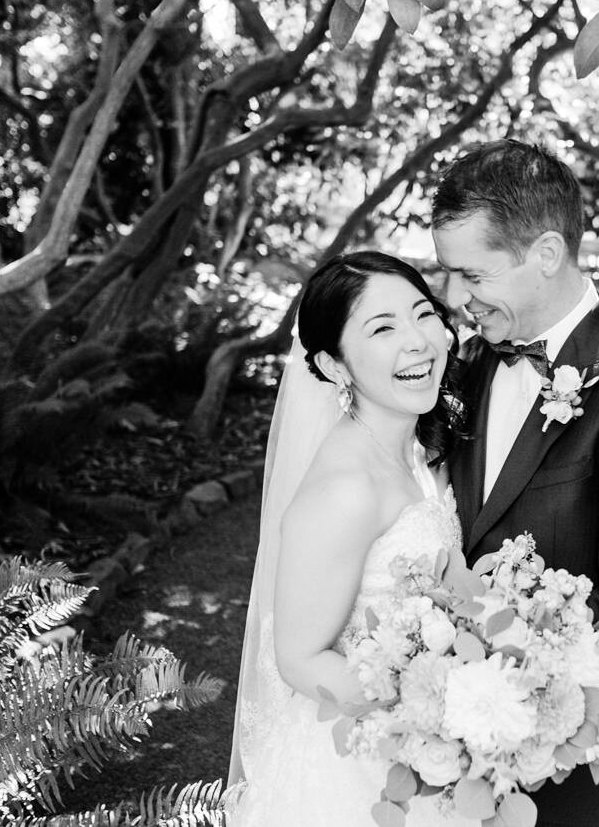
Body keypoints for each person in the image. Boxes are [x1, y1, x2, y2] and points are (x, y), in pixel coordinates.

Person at [432, 140, 599, 827]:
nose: (454, 298)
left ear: (547, 255)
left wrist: (497, 683)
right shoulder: (461, 368)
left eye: (472, 275)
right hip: (449, 754)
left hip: (586, 769)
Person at [226, 251, 468, 826]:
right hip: (357, 771)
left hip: (427, 757)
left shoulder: (419, 445)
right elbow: (299, 659)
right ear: (335, 367)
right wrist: (437, 708)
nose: (418, 342)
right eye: (382, 329)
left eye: (423, 314)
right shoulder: (344, 490)